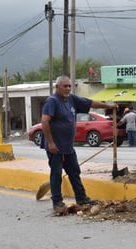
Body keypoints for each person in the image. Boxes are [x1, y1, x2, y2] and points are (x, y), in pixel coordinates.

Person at [41, 75, 117, 210]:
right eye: (65, 86)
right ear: (57, 87)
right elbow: (45, 121)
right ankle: (57, 202)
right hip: (55, 146)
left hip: (68, 145)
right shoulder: (52, 101)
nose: (68, 89)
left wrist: (108, 106)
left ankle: (82, 198)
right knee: (57, 173)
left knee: (74, 171)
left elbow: (89, 103)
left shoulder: (71, 99)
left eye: (69, 86)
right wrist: (51, 143)